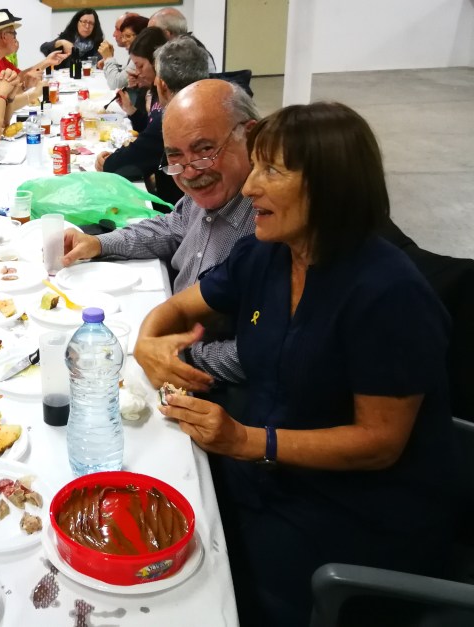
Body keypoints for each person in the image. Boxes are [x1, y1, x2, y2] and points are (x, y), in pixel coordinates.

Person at [139, 102, 454, 627]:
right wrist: (148, 341)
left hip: (349, 512)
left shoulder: (389, 295)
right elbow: (178, 308)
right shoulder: (268, 254)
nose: (249, 188)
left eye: (271, 171)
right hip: (269, 472)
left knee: (194, 591)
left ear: (330, 185)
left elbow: (379, 443)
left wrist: (246, 441)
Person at [64, 79, 259, 389]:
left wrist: (176, 355)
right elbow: (171, 227)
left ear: (250, 136)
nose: (190, 172)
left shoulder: (270, 223)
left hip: (213, 388)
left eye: (205, 149)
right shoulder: (211, 192)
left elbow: (266, 350)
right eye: (175, 156)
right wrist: (98, 243)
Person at [94, 27, 173, 177]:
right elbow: (149, 128)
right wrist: (131, 110)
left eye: (140, 66)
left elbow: (150, 143)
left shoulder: (166, 94)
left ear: (157, 63)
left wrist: (110, 163)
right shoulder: (154, 90)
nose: (136, 72)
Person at [0, 8, 65, 86]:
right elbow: (0, 92)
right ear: (4, 36)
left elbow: (19, 76)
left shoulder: (0, 57)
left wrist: (47, 61)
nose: (15, 39)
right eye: (14, 34)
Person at [149, 7, 217, 72]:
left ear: (167, 33)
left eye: (152, 32)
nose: (148, 36)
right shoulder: (193, 47)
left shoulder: (187, 54)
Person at [98, 13, 149, 89]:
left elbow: (116, 84)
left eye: (118, 29)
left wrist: (109, 59)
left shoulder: (142, 55)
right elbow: (124, 74)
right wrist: (108, 62)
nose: (123, 40)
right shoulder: (135, 53)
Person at [39, 9, 104, 69]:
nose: (87, 26)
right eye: (84, 22)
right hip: (64, 77)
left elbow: (100, 64)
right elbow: (44, 48)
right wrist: (61, 42)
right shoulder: (67, 38)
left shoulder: (98, 43)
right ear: (77, 22)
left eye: (91, 23)